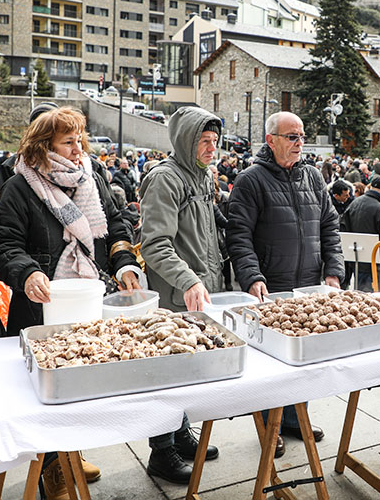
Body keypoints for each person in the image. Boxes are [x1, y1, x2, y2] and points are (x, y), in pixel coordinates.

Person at [0, 107, 141, 497]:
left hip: (87, 299)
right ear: (43, 147)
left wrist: (124, 263)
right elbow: (4, 246)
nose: (78, 149)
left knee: (82, 384)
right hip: (42, 305)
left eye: (80, 140)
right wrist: (27, 273)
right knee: (49, 392)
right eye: (68, 142)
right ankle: (51, 468)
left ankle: (70, 451)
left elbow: (116, 223)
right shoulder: (19, 187)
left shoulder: (91, 175)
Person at [227, 111, 342, 455]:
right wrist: (251, 277)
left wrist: (333, 270)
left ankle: (294, 418)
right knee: (269, 365)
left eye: (302, 136)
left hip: (307, 284)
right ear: (271, 140)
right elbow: (239, 236)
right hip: (269, 285)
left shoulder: (312, 176)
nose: (299, 143)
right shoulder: (250, 180)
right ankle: (268, 424)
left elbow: (329, 226)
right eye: (291, 136)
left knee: (302, 359)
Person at [138, 106, 223, 482]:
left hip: (199, 292)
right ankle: (162, 451)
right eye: (204, 141)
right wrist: (189, 279)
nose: (211, 148)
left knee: (187, 371)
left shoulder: (201, 176)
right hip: (175, 294)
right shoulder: (166, 179)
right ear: (186, 141)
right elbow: (154, 244)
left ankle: (180, 430)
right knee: (167, 375)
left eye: (214, 142)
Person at [342, 176, 380, 291]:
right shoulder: (379, 209)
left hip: (357, 257)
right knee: (373, 295)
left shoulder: (354, 203)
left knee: (360, 293)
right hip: (375, 261)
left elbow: (344, 226)